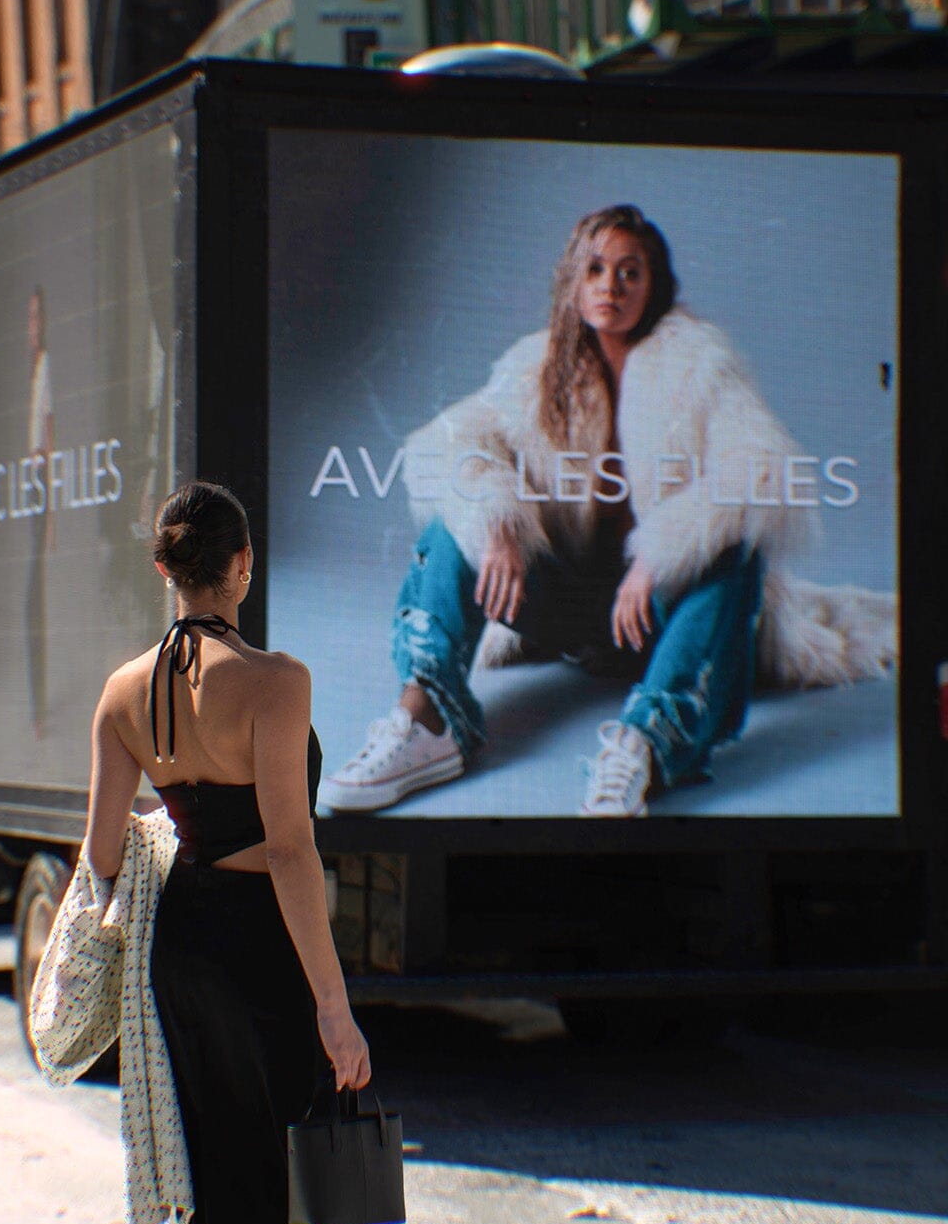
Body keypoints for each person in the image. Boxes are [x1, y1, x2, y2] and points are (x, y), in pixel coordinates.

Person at [324, 203, 895, 817]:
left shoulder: (698, 362)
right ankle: (429, 718)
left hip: (655, 615)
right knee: (452, 524)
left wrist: (658, 557)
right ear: (573, 280)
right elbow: (452, 442)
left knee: (735, 548)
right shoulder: (535, 366)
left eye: (630, 272)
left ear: (655, 285)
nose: (611, 287)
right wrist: (499, 524)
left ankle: (646, 741)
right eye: (595, 269)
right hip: (565, 609)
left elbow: (758, 467)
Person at [84, 479, 371, 1224]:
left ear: (166, 572)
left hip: (177, 950)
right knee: (285, 1209)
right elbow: (293, 851)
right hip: (261, 951)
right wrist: (335, 1009)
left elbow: (104, 856)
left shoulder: (121, 693)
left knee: (224, 1199)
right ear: (241, 568)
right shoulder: (275, 681)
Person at [26, 286, 54, 739]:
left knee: (38, 602)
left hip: (45, 497)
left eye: (35, 317)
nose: (29, 327)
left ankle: (41, 707)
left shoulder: (48, 367)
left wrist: (51, 518)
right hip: (36, 497)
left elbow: (49, 438)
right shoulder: (36, 369)